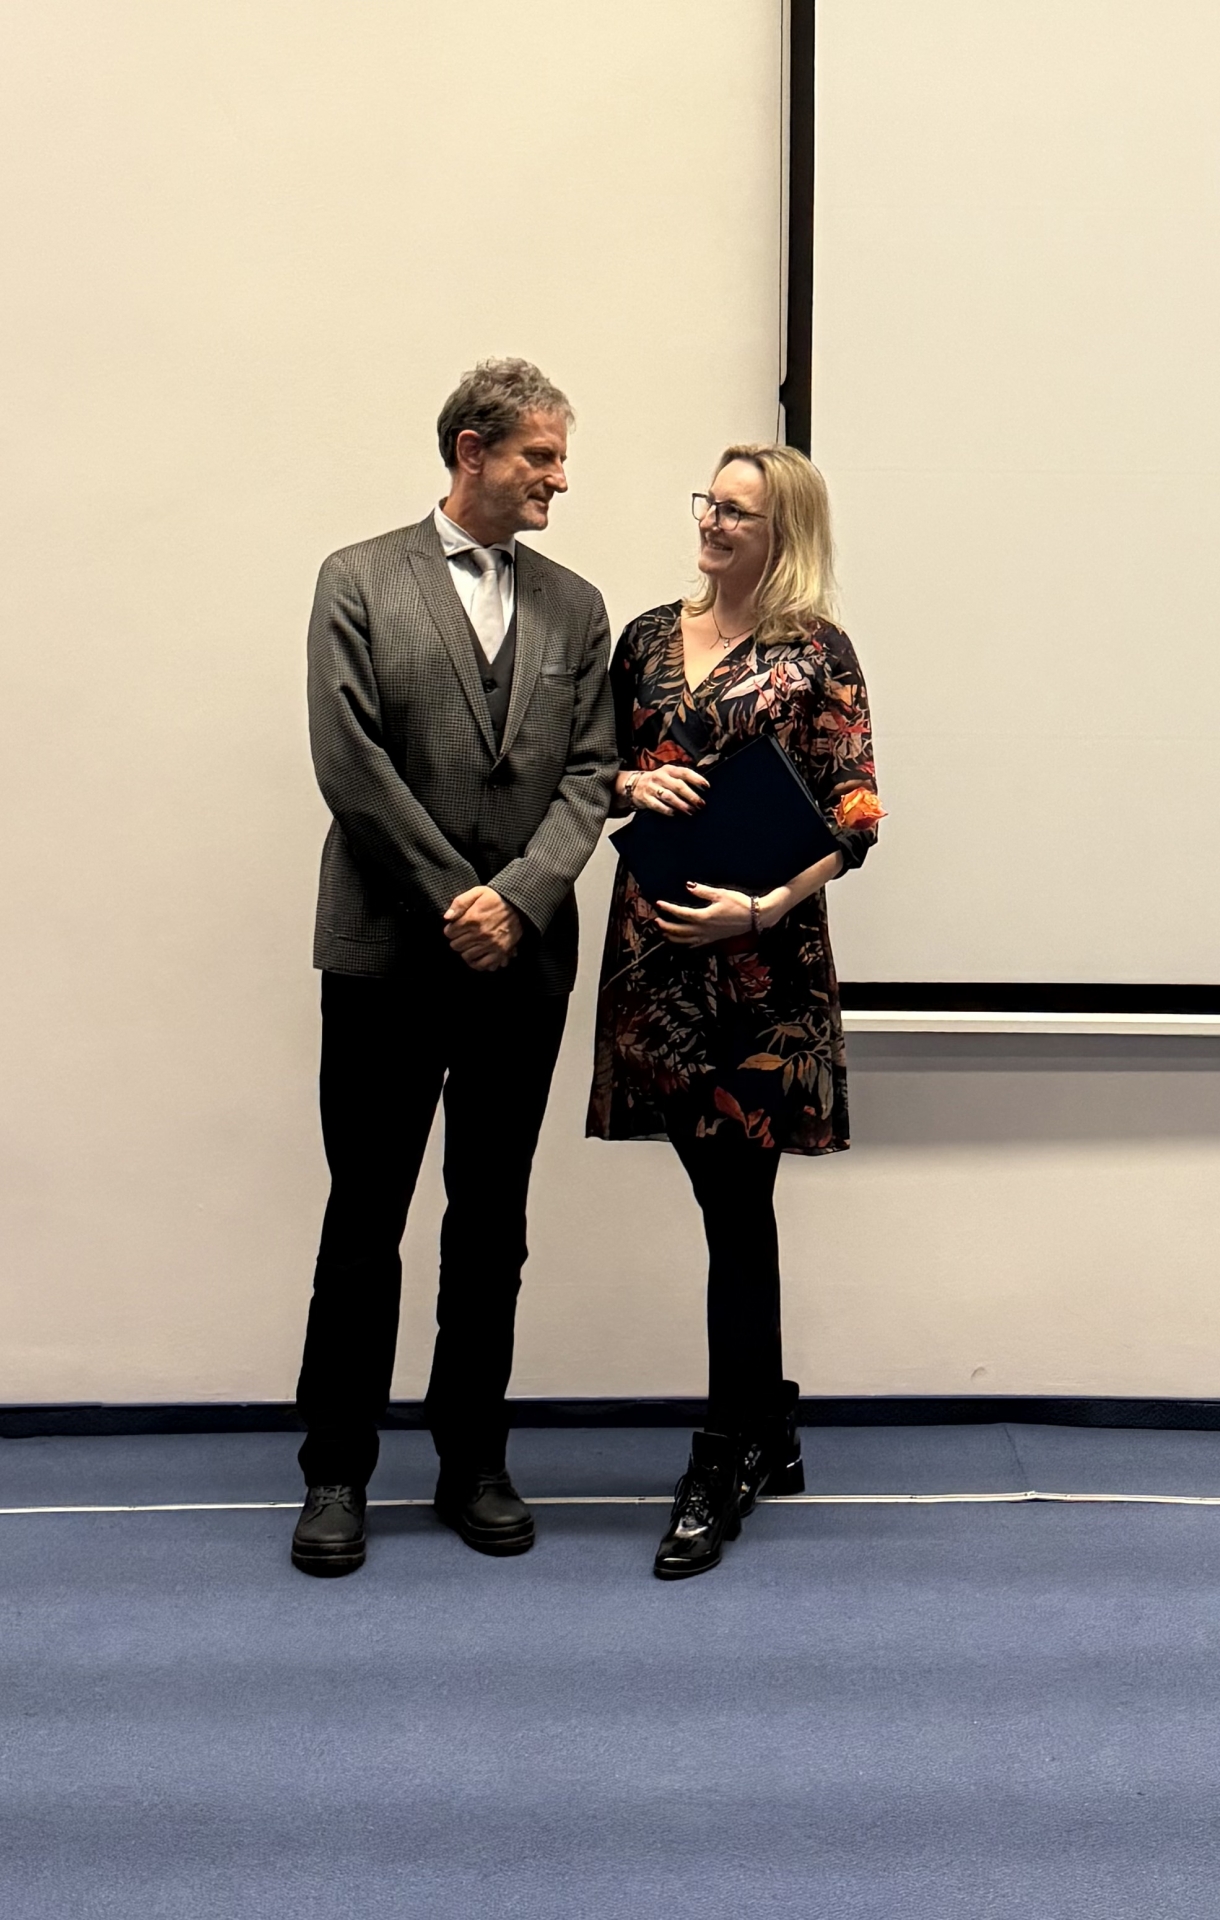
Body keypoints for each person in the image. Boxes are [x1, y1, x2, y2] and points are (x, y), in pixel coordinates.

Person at [292, 358, 617, 1576]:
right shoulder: (356, 579)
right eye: (540, 456)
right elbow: (349, 763)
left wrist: (517, 901)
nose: (558, 479)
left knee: (491, 1224)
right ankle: (335, 1470)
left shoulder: (576, 608)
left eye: (559, 457)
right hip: (385, 957)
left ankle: (472, 1458)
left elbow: (591, 775)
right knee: (362, 1218)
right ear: (471, 451)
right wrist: (456, 901)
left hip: (520, 971)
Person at [587, 443, 883, 1580]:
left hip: (763, 969)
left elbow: (854, 813)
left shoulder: (817, 652)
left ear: (781, 533)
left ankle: (724, 1456)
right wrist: (629, 782)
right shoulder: (644, 640)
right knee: (725, 1200)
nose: (711, 522)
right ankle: (770, 1419)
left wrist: (762, 908)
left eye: (737, 512)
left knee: (735, 1204)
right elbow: (588, 767)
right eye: (707, 503)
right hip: (656, 961)